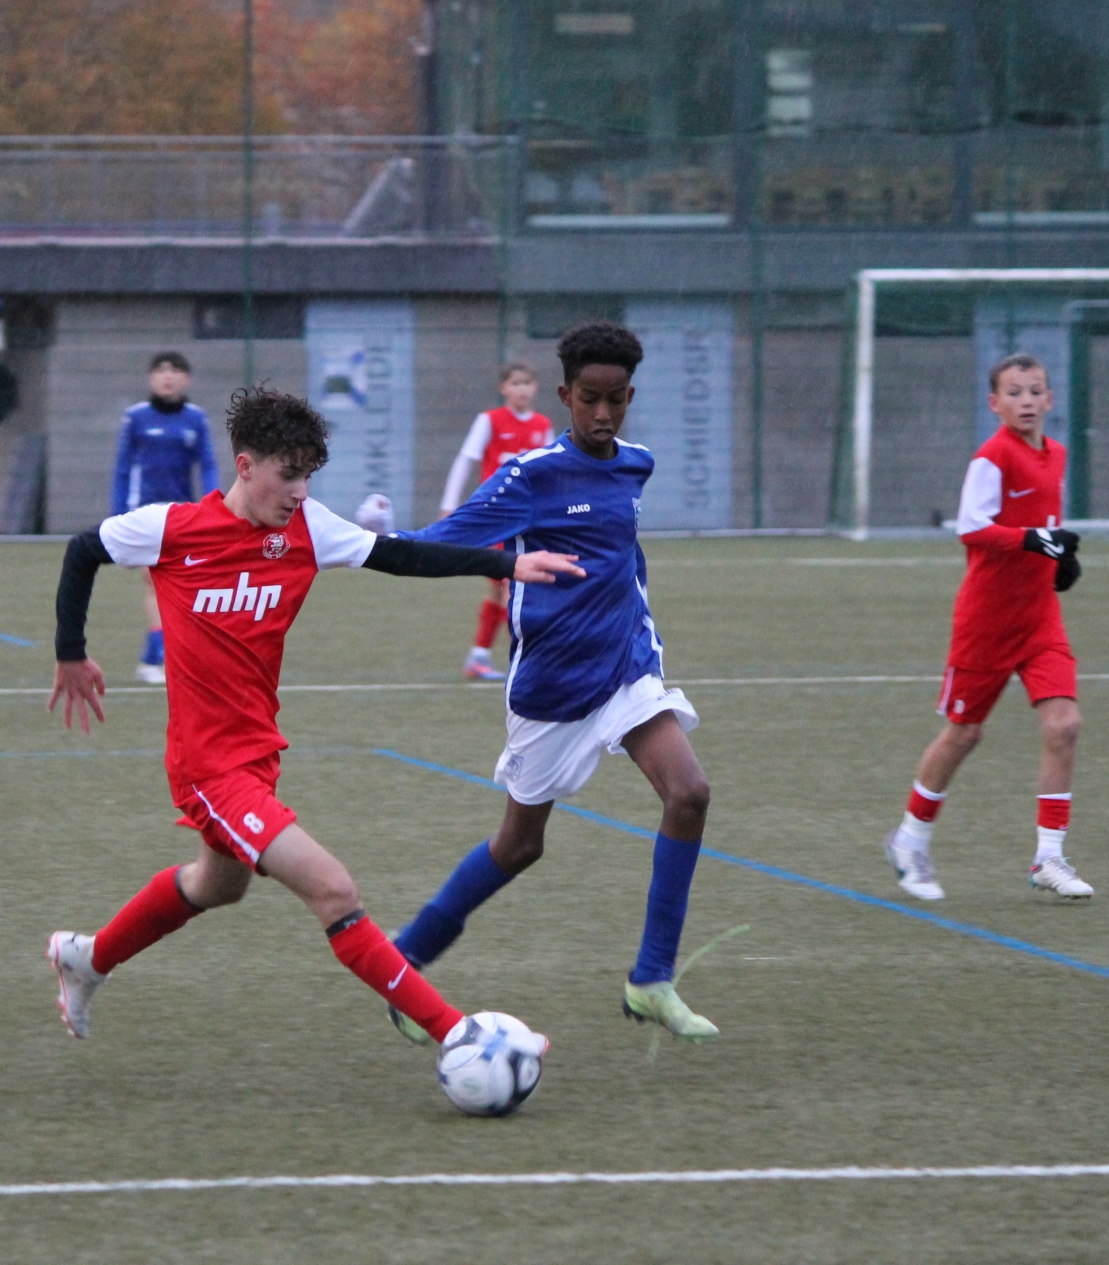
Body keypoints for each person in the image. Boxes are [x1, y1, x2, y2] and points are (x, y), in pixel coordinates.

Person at [45, 384, 580, 1074]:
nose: (299, 490)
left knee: (217, 885)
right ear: (245, 465)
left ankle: (86, 958)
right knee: (334, 890)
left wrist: (505, 563)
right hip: (208, 769)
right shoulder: (172, 528)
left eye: (308, 475)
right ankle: (460, 1036)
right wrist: (69, 650)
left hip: (258, 756)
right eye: (286, 473)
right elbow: (83, 548)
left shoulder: (306, 530)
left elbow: (399, 554)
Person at [356, 322, 719, 1046]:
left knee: (689, 792)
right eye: (590, 399)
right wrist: (378, 540)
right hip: (551, 687)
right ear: (564, 396)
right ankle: (406, 957)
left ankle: (651, 980)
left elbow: (622, 550)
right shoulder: (532, 475)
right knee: (521, 845)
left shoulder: (634, 465)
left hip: (625, 670)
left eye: (616, 400)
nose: (604, 414)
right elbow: (448, 539)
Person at [885, 354, 1091, 903]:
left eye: (1035, 391)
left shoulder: (1057, 455)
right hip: (987, 623)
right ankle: (910, 840)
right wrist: (1033, 542)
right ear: (994, 403)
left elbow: (1046, 526)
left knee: (1064, 725)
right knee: (964, 733)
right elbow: (973, 527)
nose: (1026, 401)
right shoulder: (992, 457)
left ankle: (1049, 857)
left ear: (1050, 400)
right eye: (1014, 392)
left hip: (1040, 618)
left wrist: (1056, 558)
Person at [439, 361, 553, 681]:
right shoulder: (489, 421)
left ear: (536, 388)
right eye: (516, 383)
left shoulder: (542, 425)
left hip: (530, 520)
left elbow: (551, 473)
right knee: (511, 586)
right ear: (503, 388)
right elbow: (466, 460)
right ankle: (527, 663)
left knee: (502, 589)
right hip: (496, 517)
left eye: (528, 383)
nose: (522, 389)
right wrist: (449, 504)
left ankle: (479, 657)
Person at [109, 352, 218, 684]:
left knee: (186, 585)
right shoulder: (136, 418)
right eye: (160, 371)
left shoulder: (195, 419)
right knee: (156, 580)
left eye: (175, 371)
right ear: (150, 378)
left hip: (182, 514)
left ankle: (160, 656)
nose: (167, 377)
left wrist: (215, 505)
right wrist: (117, 517)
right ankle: (154, 659)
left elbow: (208, 465)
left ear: (187, 379)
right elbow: (123, 469)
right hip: (143, 513)